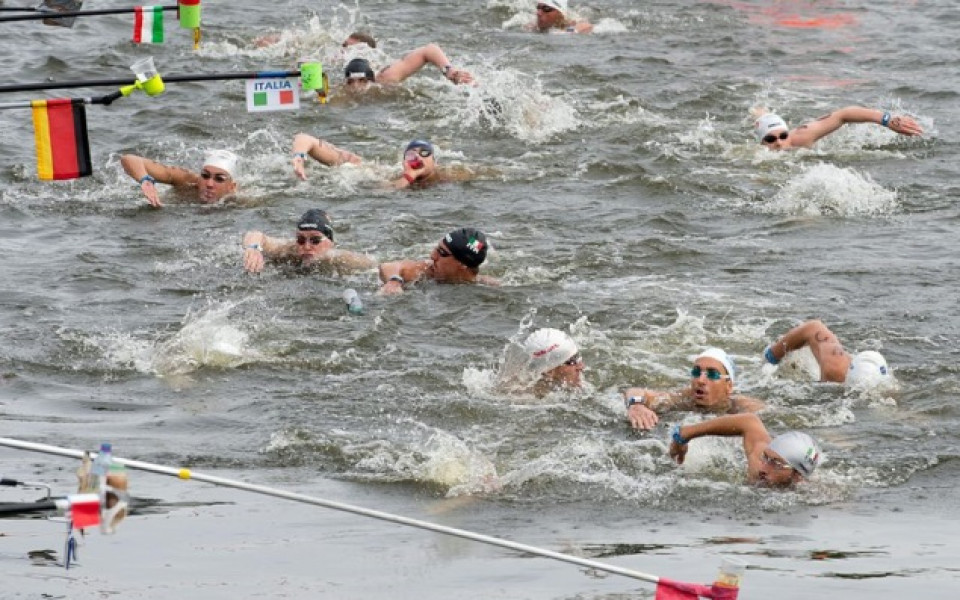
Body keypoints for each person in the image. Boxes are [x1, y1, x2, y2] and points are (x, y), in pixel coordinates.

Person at [623, 348, 765, 431]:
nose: (700, 380)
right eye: (696, 372)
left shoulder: (744, 407)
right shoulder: (685, 398)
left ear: (728, 386)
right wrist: (636, 405)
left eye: (712, 374)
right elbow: (636, 391)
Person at [668, 413, 822, 488]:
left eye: (776, 463)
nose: (763, 468)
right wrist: (685, 434)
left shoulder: (812, 494)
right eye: (766, 457)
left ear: (797, 476)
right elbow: (749, 422)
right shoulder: (757, 467)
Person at [291, 136, 469, 189]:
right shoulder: (380, 172)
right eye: (412, 154)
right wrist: (299, 157)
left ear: (435, 161)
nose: (418, 158)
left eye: (424, 153)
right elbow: (304, 138)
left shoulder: (450, 174)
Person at [241, 209, 376, 274]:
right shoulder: (288, 250)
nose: (306, 246)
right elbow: (255, 235)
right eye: (300, 239)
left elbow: (375, 266)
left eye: (315, 240)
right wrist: (253, 248)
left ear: (330, 242)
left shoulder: (343, 259)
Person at [762, 319, 892, 386]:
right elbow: (812, 328)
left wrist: (771, 359)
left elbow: (814, 327)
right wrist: (772, 356)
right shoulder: (836, 366)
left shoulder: (835, 369)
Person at [377, 227, 499, 295]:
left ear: (462, 264)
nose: (432, 256)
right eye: (437, 248)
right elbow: (388, 266)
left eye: (441, 253)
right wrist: (394, 281)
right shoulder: (427, 270)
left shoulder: (485, 285)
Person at [753, 106, 923, 150]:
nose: (779, 143)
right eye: (770, 139)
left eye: (783, 136)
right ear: (762, 142)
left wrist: (886, 120)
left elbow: (843, 114)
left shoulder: (801, 137)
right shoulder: (754, 157)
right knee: (759, 114)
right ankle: (758, 112)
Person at [120, 149, 239, 208]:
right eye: (205, 175)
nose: (209, 184)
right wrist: (145, 180)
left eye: (219, 179)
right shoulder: (187, 180)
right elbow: (129, 159)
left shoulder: (239, 202)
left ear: (231, 187)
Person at [341, 43, 474, 90]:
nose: (356, 87)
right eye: (350, 82)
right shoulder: (340, 93)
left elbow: (429, 50)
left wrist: (449, 70)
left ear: (371, 80)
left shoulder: (386, 78)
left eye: (362, 81)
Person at [522, 328, 585, 395]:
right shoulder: (526, 402)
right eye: (572, 361)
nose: (581, 366)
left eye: (577, 356)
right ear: (549, 372)